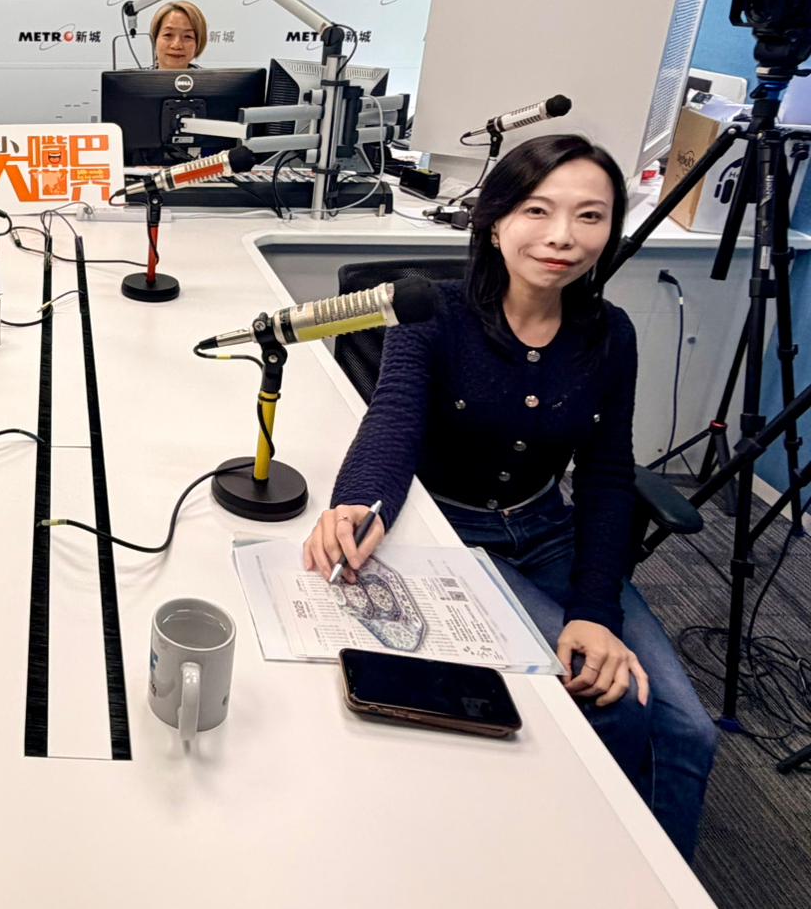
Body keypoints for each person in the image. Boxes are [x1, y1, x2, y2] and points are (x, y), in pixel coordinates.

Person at [304, 133, 718, 859]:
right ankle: (593, 860)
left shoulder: (609, 334)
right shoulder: (434, 310)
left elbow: (607, 476)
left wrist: (595, 611)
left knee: (689, 729)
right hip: (458, 536)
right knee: (614, 704)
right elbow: (393, 422)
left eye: (590, 216)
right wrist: (357, 504)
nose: (563, 236)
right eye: (538, 210)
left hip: (549, 530)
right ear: (494, 221)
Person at [150, 0, 207, 70]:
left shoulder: (212, 77)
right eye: (168, 35)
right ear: (155, 39)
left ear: (198, 43)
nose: (176, 45)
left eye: (187, 36)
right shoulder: (138, 76)